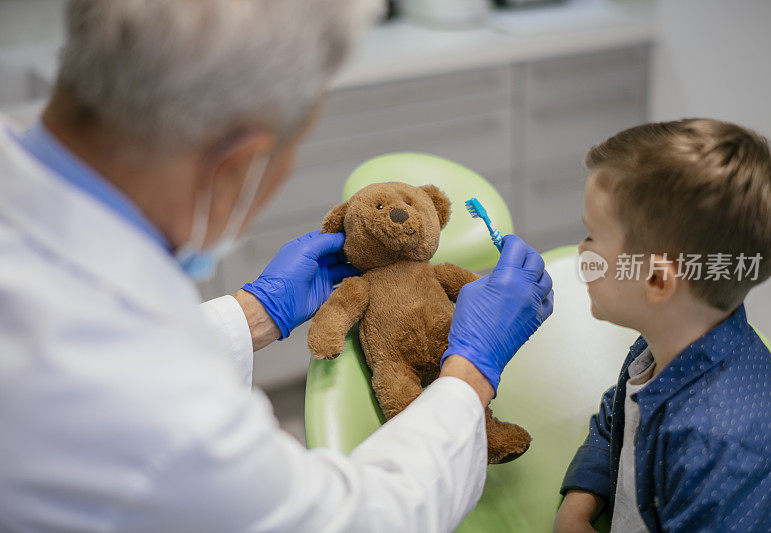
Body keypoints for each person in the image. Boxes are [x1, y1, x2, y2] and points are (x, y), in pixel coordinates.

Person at [0, 1, 555, 531]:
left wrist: (254, 312)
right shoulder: (170, 412)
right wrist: (471, 371)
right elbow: (361, 520)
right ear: (234, 168)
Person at [554, 119, 771, 532]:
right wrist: (578, 507)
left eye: (592, 236)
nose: (581, 250)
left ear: (657, 280)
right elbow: (620, 415)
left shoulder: (721, 451)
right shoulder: (664, 347)